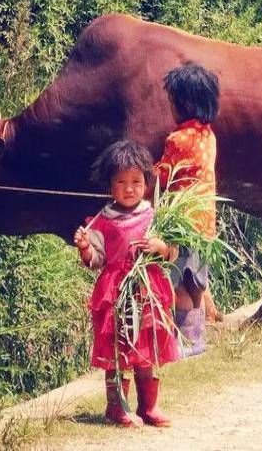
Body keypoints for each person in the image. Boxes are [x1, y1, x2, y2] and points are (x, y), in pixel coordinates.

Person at [74, 140, 177, 427]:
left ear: (146, 182)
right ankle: (116, 407)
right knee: (119, 351)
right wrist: (85, 247)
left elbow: (172, 252)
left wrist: (159, 246)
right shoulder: (102, 221)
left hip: (147, 291)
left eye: (136, 181)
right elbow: (96, 259)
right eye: (121, 182)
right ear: (110, 185)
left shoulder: (155, 216)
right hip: (116, 293)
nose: (129, 188)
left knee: (146, 348)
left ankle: (148, 407)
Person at [155, 62, 222, 358]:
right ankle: (197, 340)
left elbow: (163, 177)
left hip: (183, 224)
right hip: (205, 221)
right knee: (196, 282)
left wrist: (142, 175)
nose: (169, 107)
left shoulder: (177, 139)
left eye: (171, 101)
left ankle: (184, 342)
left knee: (180, 284)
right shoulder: (208, 135)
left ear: (184, 103)